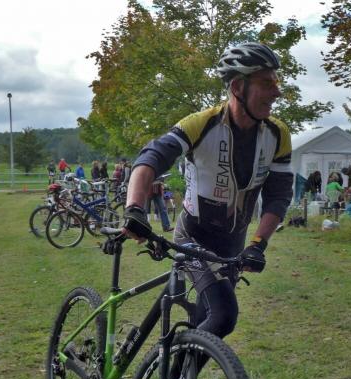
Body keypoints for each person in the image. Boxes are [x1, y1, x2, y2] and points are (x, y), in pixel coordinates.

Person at [122, 42, 292, 351]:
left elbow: (278, 196)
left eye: (276, 82)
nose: (277, 92)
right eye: (267, 83)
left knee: (207, 323)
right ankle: (170, 369)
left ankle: (175, 377)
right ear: (238, 87)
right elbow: (150, 159)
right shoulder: (201, 124)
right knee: (224, 316)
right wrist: (135, 208)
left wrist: (258, 244)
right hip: (193, 235)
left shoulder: (277, 134)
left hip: (233, 243)